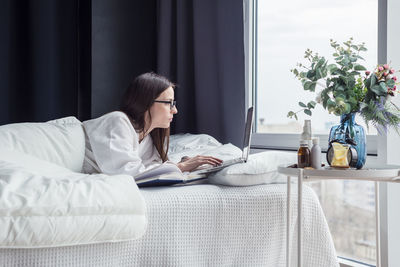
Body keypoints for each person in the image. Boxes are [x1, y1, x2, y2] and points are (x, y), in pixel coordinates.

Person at [82, 72, 222, 178]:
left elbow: (151, 169)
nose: (175, 110)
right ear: (146, 102)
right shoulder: (118, 121)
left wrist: (183, 163)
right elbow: (127, 173)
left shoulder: (148, 139)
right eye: (169, 103)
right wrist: (181, 167)